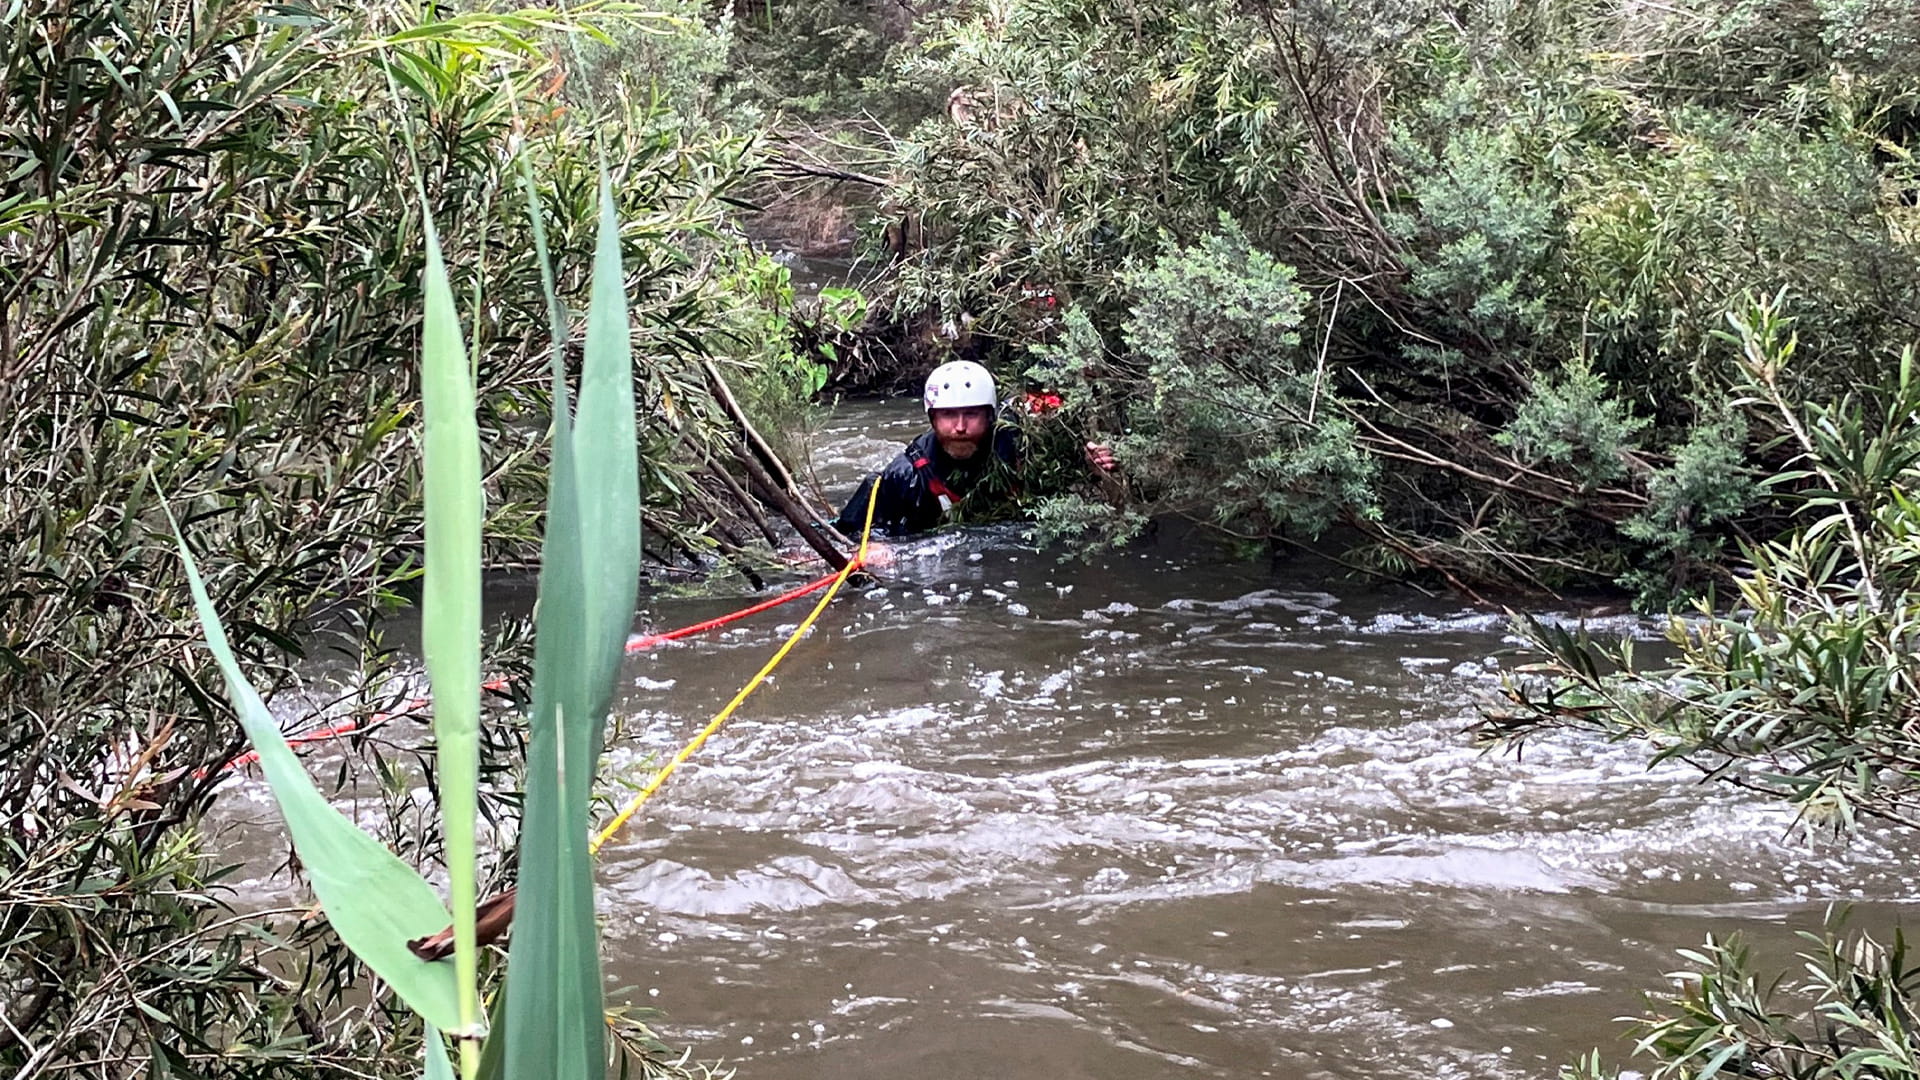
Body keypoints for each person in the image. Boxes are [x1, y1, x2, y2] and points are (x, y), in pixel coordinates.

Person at [833, 360, 1115, 538]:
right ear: (932, 419)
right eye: (948, 415)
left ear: (990, 417)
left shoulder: (1020, 446)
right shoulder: (905, 474)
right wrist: (873, 546)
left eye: (971, 415)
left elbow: (1063, 482)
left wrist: (1090, 466)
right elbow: (852, 533)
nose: (959, 427)